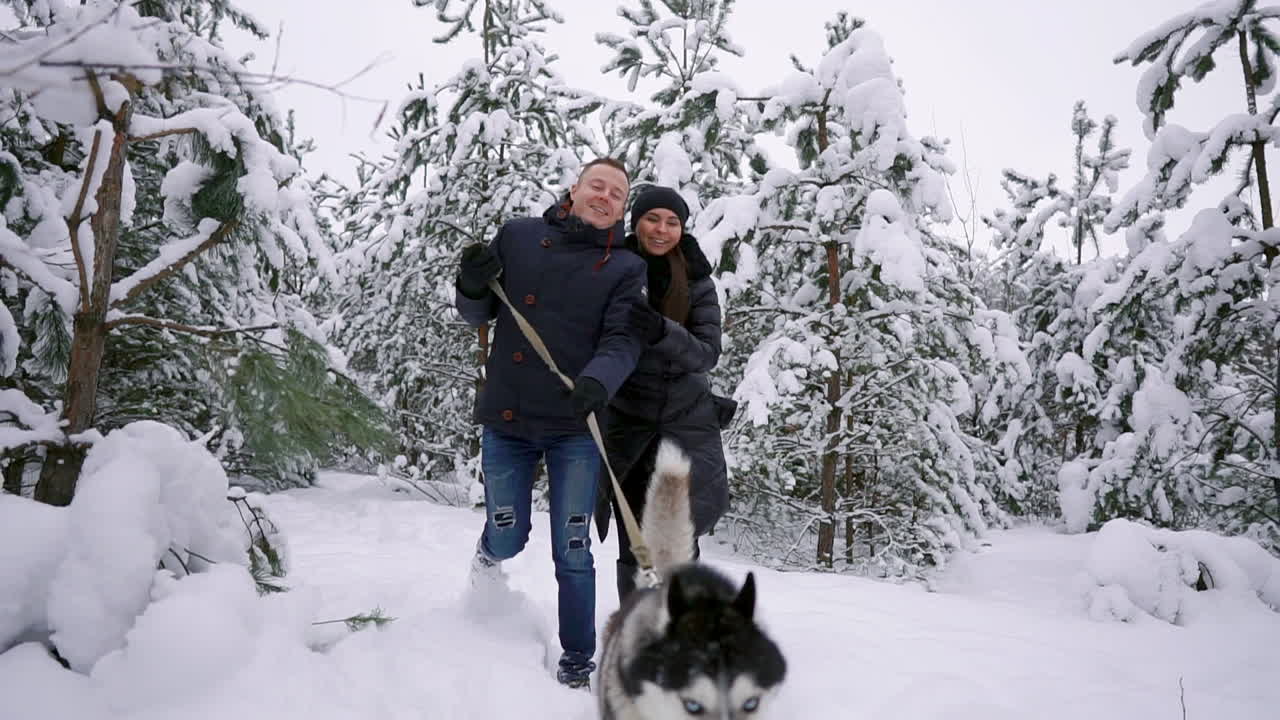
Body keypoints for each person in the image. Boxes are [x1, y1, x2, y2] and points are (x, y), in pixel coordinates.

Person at [453, 158, 647, 689]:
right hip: (509, 415)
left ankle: (578, 660)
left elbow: (623, 339)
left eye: (616, 194)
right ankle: (488, 552)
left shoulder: (626, 268)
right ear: (574, 188)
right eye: (596, 186)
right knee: (510, 535)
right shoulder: (518, 237)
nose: (604, 197)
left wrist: (599, 380)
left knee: (574, 546)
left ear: (622, 209)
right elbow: (477, 315)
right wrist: (471, 286)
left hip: (574, 423)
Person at [595, 185, 734, 603]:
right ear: (635, 223)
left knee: (679, 539)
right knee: (634, 540)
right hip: (627, 427)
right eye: (652, 219)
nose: (661, 229)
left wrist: (660, 331)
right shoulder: (613, 270)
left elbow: (706, 353)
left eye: (672, 222)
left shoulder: (696, 281)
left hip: (684, 427)